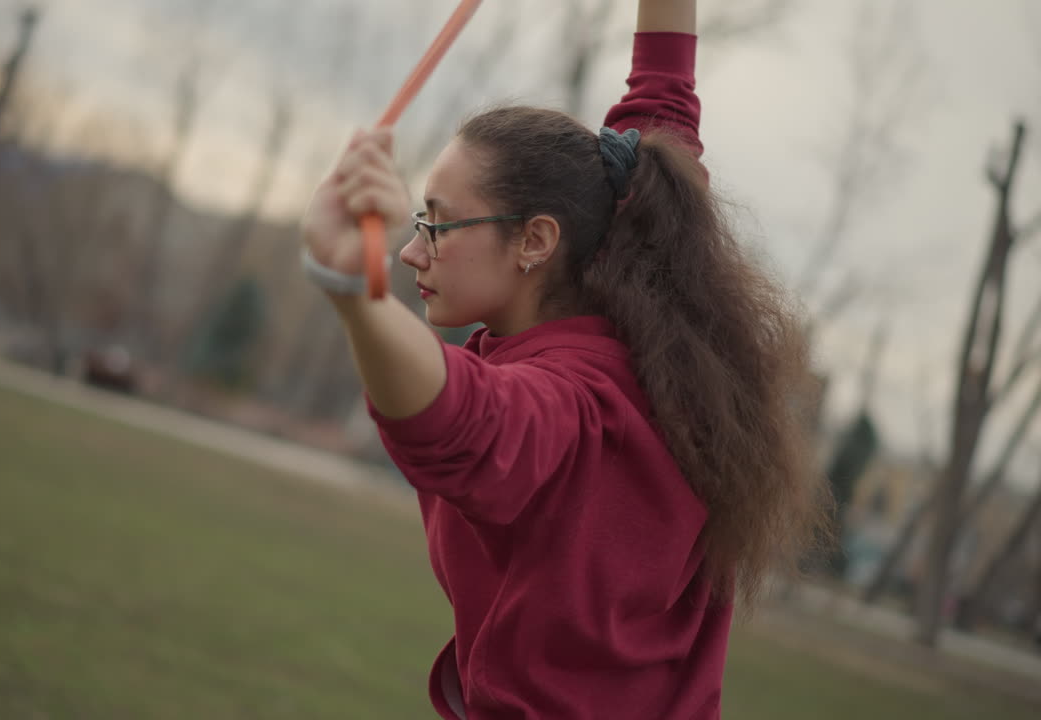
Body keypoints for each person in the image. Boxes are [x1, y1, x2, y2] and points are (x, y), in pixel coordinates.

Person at [299, 0, 829, 717]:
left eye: (440, 223)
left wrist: (355, 289)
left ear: (536, 241)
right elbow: (664, 91)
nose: (411, 250)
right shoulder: (642, 245)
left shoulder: (573, 409)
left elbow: (460, 418)